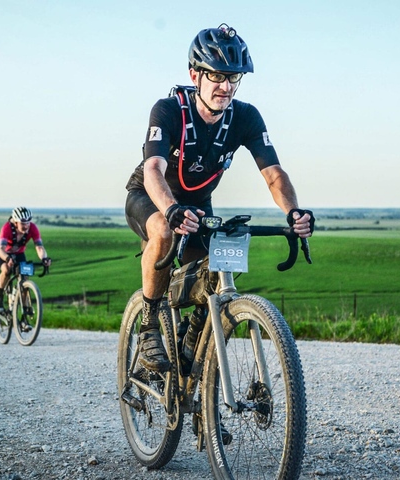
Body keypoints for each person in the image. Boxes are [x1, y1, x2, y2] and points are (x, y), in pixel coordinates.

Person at [124, 24, 314, 372]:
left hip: (197, 206)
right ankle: (149, 324)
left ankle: (195, 358)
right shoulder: (169, 111)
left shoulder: (245, 117)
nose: (226, 87)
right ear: (195, 74)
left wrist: (294, 212)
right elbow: (152, 168)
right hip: (152, 198)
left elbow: (274, 175)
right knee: (164, 234)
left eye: (234, 78)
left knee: (217, 271)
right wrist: (171, 210)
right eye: (216, 76)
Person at [0, 207, 52, 317]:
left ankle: (25, 312)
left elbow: (39, 247)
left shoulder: (33, 228)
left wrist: (44, 258)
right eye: (23, 224)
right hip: (3, 253)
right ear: (15, 222)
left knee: (24, 277)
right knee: (6, 269)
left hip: (19, 254)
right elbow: (1, 249)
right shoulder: (7, 228)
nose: (26, 226)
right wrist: (7, 259)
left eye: (28, 223)